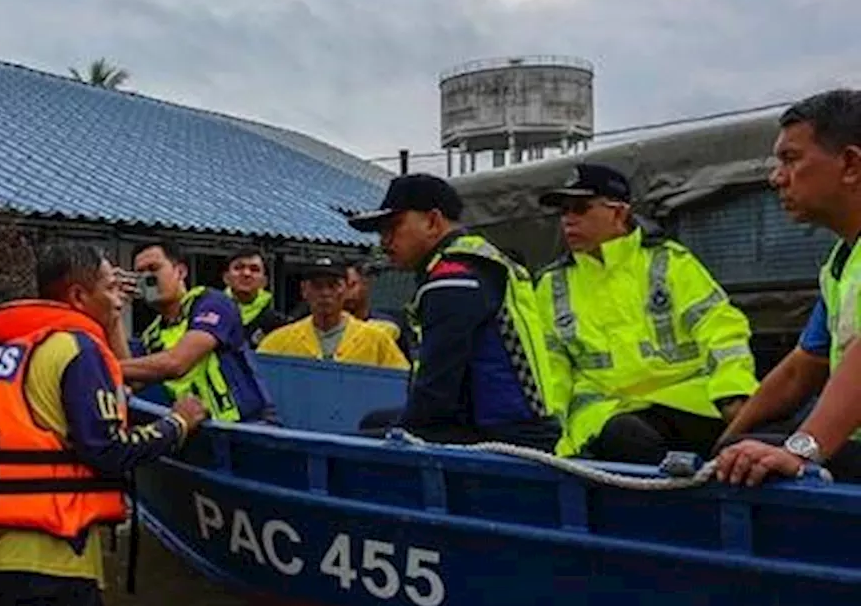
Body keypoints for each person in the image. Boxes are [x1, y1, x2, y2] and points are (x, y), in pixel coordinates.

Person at [0, 243, 207, 606]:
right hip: (57, 561)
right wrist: (178, 423)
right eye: (109, 288)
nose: (117, 301)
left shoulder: (4, 353)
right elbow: (109, 450)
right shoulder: (78, 350)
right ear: (77, 297)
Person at [533, 163, 759, 464]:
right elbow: (552, 369)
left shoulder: (671, 263)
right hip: (609, 413)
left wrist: (733, 393)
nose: (568, 220)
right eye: (563, 211)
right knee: (627, 438)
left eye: (580, 208)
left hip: (686, 402)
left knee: (758, 442)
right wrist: (553, 435)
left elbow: (720, 329)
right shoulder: (552, 285)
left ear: (619, 213)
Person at [348, 173, 560, 450]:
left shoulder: (454, 278)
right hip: (520, 425)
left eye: (394, 227)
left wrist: (401, 436)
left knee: (353, 449)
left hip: (504, 438)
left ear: (433, 222)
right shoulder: (481, 260)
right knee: (375, 422)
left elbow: (436, 391)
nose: (385, 241)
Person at [716, 90, 861, 486]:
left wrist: (800, 451)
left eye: (791, 159)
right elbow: (802, 367)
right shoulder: (840, 264)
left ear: (850, 165)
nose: (776, 177)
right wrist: (721, 445)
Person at [117, 240, 277, 422]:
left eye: (154, 269)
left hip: (249, 427)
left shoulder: (213, 303)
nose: (148, 279)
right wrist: (112, 312)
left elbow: (176, 363)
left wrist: (105, 366)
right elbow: (132, 378)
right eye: (140, 273)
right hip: (201, 430)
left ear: (181, 272)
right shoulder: (153, 334)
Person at [257, 257, 410, 370]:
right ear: (304, 290)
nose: (325, 293)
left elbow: (401, 384)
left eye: (333, 285)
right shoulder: (277, 342)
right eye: (317, 286)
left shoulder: (376, 340)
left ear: (345, 289)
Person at [343, 258, 416, 358]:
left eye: (352, 285)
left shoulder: (389, 326)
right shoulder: (327, 327)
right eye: (341, 286)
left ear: (366, 283)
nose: (346, 293)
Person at [222, 245, 286, 348]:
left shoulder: (277, 324)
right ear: (226, 278)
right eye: (239, 268)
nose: (246, 273)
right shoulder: (210, 313)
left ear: (264, 281)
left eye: (254, 269)